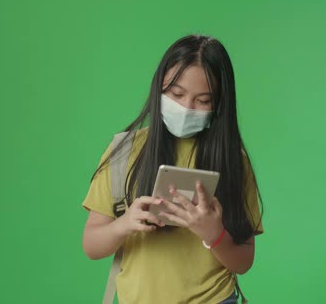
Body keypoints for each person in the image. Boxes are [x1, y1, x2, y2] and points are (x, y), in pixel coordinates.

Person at [81, 34, 264, 304]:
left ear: (221, 104)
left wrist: (214, 235)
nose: (187, 108)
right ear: (159, 87)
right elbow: (91, 245)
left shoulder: (232, 160)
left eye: (203, 100)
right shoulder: (126, 152)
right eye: (176, 94)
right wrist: (125, 224)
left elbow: (244, 260)